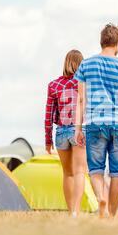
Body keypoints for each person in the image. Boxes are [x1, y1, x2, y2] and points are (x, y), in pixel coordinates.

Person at [74, 23, 118, 218]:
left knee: (95, 169)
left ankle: (101, 196)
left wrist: (78, 128)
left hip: (94, 123)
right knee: (117, 173)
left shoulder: (86, 64)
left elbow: (81, 99)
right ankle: (111, 213)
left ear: (102, 41)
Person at [45, 50, 86, 217]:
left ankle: (71, 211)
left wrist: (48, 139)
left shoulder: (54, 85)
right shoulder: (85, 85)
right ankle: (76, 210)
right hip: (79, 130)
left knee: (67, 173)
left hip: (61, 131)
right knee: (79, 172)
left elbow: (48, 115)